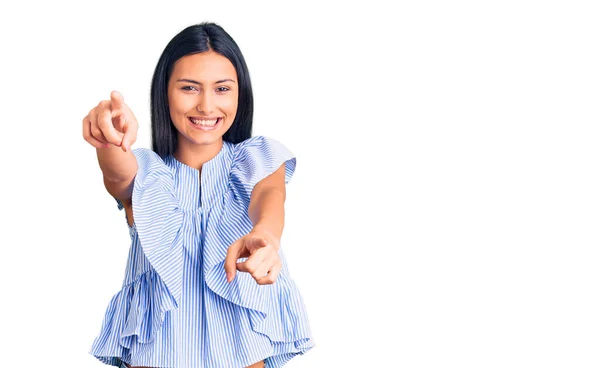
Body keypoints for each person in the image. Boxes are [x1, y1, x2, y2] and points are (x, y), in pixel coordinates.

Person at [82, 22, 314, 368]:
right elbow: (118, 172)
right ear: (165, 93)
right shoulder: (146, 172)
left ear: (240, 95)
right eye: (189, 88)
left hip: (242, 348)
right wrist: (111, 136)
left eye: (222, 89)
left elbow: (269, 198)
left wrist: (265, 237)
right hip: (158, 351)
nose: (206, 106)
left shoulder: (257, 158)